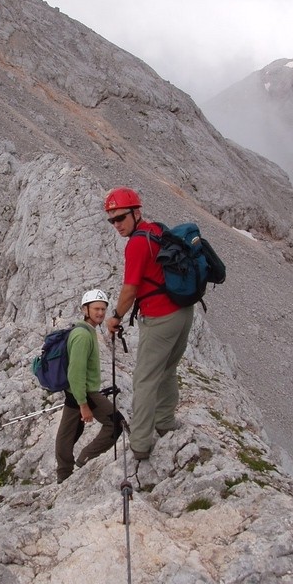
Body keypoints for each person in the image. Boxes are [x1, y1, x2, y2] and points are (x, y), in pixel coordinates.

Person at [104, 187, 193, 461]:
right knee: (167, 368)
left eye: (120, 218)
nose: (117, 225)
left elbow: (130, 290)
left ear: (136, 212)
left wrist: (115, 316)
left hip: (160, 318)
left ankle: (140, 444)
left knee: (144, 380)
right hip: (183, 312)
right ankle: (165, 422)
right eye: (112, 220)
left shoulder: (137, 244)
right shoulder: (155, 230)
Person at [55, 289, 117, 483]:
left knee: (69, 432)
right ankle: (84, 459)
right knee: (115, 424)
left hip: (78, 392)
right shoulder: (82, 336)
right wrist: (83, 404)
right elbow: (76, 372)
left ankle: (64, 474)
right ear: (85, 309)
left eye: (103, 309)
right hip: (84, 393)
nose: (100, 313)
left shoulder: (85, 331)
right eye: (96, 308)